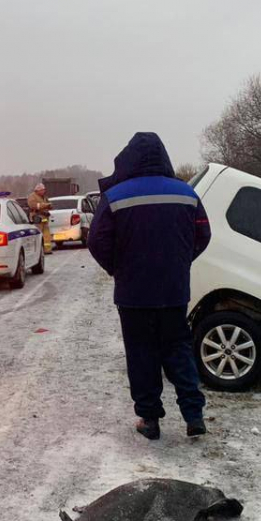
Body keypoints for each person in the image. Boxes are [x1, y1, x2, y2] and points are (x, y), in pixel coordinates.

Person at [88, 132, 212, 441]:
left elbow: (96, 241)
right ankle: (193, 415)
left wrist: (117, 268)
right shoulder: (186, 193)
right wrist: (182, 262)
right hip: (173, 289)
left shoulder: (115, 196)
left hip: (133, 293)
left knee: (141, 352)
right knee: (178, 348)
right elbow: (203, 235)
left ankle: (150, 419)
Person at [27, 182, 53, 255]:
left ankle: (47, 250)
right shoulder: (32, 197)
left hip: (45, 219)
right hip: (37, 219)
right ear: (37, 190)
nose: (43, 191)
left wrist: (49, 205)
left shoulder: (44, 197)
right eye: (41, 190)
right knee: (38, 236)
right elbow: (33, 205)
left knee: (47, 236)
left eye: (44, 190)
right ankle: (38, 251)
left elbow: (49, 204)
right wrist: (45, 205)